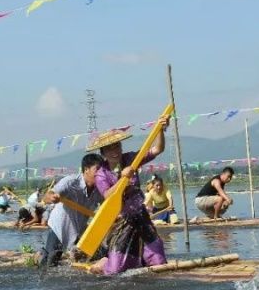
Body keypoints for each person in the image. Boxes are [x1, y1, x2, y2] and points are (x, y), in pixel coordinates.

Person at [88, 118, 171, 275]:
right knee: (115, 270)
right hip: (122, 220)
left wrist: (160, 129)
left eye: (117, 146)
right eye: (110, 149)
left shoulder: (131, 159)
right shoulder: (101, 173)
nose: (115, 152)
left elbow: (157, 149)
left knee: (159, 262)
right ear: (103, 153)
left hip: (140, 215)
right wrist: (123, 179)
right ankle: (105, 261)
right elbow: (107, 195)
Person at [41, 154, 105, 266]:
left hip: (79, 229)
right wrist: (52, 197)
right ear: (86, 170)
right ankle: (41, 256)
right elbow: (47, 196)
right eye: (97, 170)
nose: (101, 173)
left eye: (103, 170)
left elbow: (106, 206)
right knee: (49, 263)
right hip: (60, 227)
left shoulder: (100, 188)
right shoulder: (70, 182)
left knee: (102, 254)